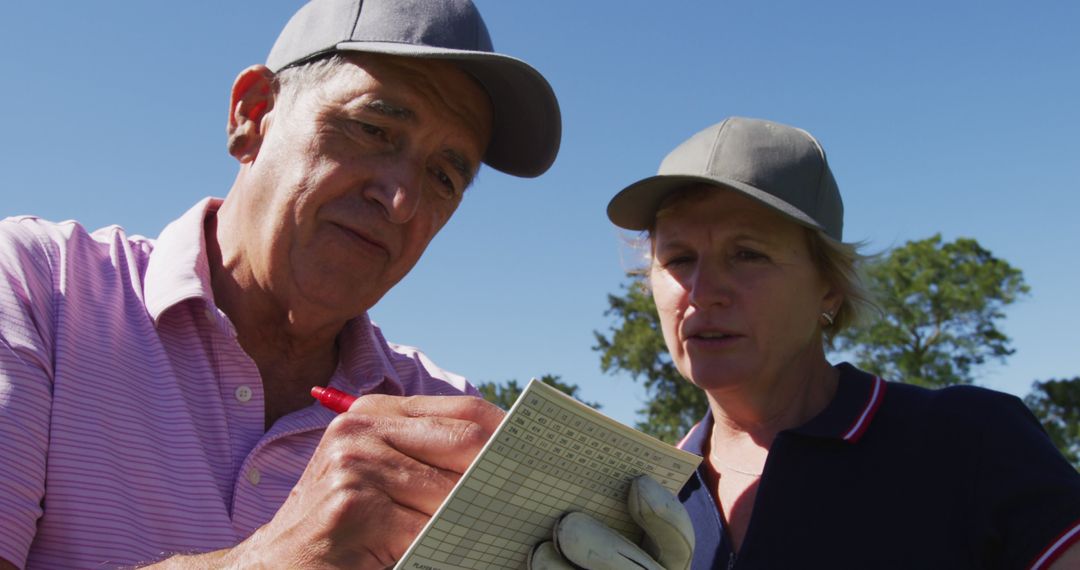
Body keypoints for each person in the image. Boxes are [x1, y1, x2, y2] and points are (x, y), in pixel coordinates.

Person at [0, 0, 560, 568]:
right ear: (253, 113)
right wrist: (272, 559)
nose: (401, 201)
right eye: (373, 128)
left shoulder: (441, 419)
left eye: (444, 176)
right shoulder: (38, 287)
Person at [537, 116, 1080, 569]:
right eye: (678, 259)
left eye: (747, 253)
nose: (703, 293)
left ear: (829, 285)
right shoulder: (636, 498)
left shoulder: (970, 441)